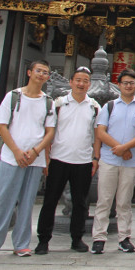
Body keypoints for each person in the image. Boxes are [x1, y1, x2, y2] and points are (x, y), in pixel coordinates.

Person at [0, 61, 56, 260]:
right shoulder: (14, 96)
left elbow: (50, 132)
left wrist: (36, 151)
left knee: (27, 203)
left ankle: (21, 244)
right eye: (39, 71)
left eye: (46, 72)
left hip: (34, 159)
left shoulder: (48, 102)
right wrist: (16, 151)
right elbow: (2, 127)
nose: (42, 75)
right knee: (2, 200)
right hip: (11, 157)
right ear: (29, 72)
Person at [35, 66, 101, 255]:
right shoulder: (58, 104)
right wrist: (46, 157)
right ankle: (43, 240)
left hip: (83, 160)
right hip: (58, 159)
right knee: (50, 200)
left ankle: (77, 238)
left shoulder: (94, 106)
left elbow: (97, 136)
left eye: (85, 81)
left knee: (80, 202)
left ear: (90, 84)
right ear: (71, 82)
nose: (81, 84)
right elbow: (50, 132)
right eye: (78, 80)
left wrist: (95, 158)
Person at [91, 69, 135, 255]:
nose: (128, 86)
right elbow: (100, 132)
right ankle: (99, 238)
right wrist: (120, 148)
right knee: (104, 200)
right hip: (109, 160)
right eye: (125, 82)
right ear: (119, 85)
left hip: (130, 162)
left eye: (132, 83)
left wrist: (124, 149)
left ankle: (124, 238)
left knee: (124, 202)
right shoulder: (109, 106)